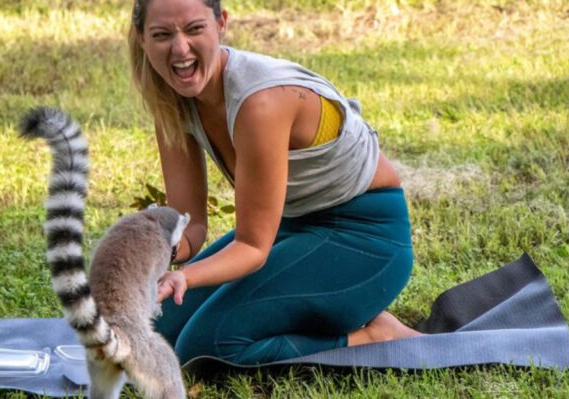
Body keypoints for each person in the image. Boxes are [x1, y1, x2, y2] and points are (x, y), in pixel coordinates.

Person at [128, 0, 421, 366]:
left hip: (364, 239)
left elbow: (252, 246)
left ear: (221, 24)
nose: (180, 48)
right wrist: (152, 249)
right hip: (294, 228)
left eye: (194, 29)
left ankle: (373, 336)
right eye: (162, 34)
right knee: (154, 328)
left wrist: (184, 276)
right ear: (142, 39)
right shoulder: (172, 99)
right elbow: (192, 225)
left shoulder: (260, 102)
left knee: (207, 348)